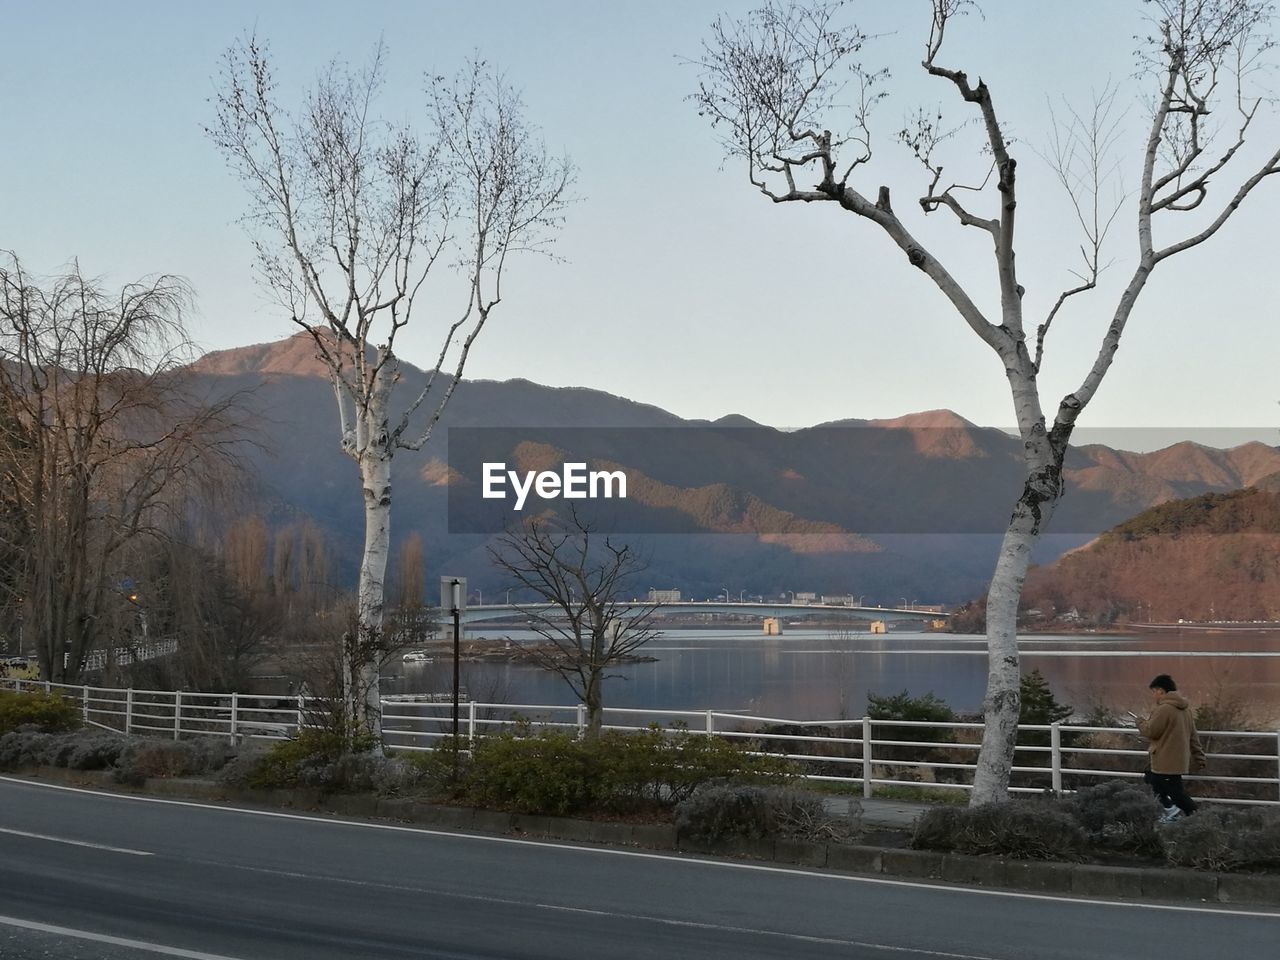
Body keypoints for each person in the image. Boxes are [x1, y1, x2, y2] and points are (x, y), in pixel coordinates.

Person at [1136, 674, 1207, 822]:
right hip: (1176, 760)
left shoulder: (1164, 709)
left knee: (1176, 794)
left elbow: (1151, 731)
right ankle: (1170, 810)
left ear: (1161, 691)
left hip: (1165, 760)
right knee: (1152, 779)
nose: (1153, 696)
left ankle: (1198, 819)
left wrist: (1140, 722)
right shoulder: (1185, 710)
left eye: (1154, 692)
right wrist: (1199, 756)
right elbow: (1193, 736)